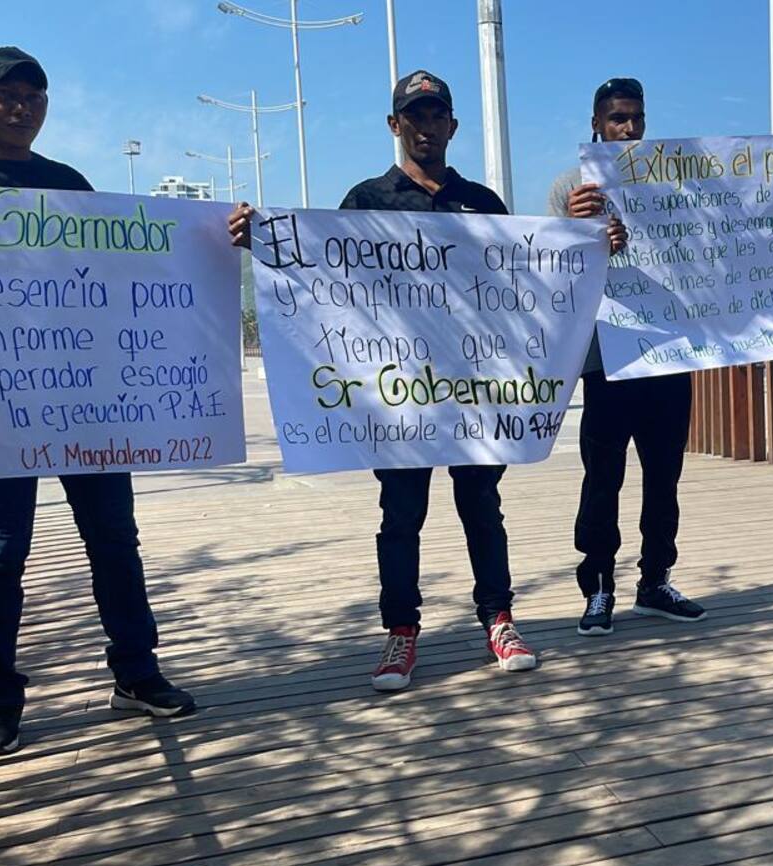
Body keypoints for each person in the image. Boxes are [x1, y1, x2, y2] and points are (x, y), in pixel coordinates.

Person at [0, 47, 195, 757]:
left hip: (85, 404)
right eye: (6, 94)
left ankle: (137, 674)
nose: (22, 105)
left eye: (34, 94)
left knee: (115, 542)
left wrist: (216, 238)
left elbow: (130, 266)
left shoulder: (70, 186)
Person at [231, 70, 541, 691]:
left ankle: (498, 619)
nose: (426, 127)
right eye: (414, 116)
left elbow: (530, 281)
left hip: (471, 394)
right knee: (401, 515)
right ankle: (401, 633)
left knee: (483, 507)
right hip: (398, 400)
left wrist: (590, 250)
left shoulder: (483, 204)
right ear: (395, 125)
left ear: (452, 126)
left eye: (437, 116)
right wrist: (257, 240)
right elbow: (319, 276)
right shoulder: (365, 200)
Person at [548, 78, 704, 636]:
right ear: (596, 123)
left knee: (665, 477)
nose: (629, 128)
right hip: (608, 359)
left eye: (636, 117)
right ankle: (598, 587)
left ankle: (655, 580)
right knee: (602, 478)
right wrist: (578, 229)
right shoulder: (571, 187)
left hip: (667, 351)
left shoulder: (674, 180)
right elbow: (551, 271)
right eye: (617, 119)